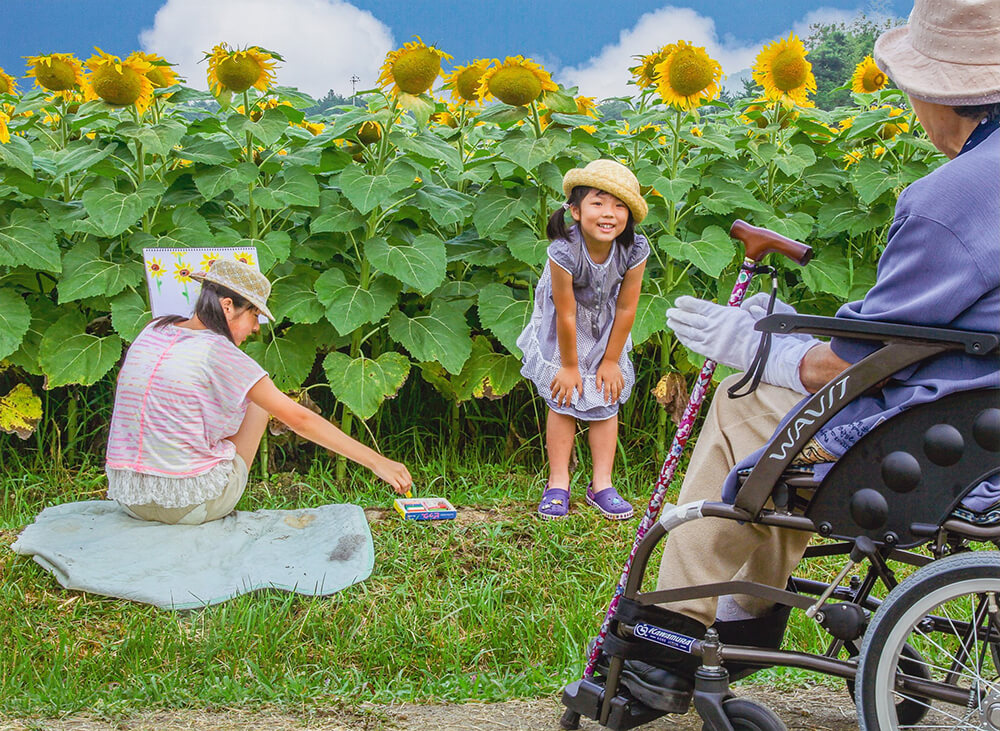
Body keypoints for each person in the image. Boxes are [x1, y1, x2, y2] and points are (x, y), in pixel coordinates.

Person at [619, 0, 1000, 711]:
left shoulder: (953, 197)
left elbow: (855, 361)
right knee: (770, 390)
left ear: (938, 93)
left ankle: (675, 634)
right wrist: (794, 331)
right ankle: (738, 613)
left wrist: (758, 345)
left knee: (746, 398)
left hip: (957, 431)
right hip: (977, 393)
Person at [105, 258, 412, 525]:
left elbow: (127, 385)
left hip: (130, 500)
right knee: (259, 401)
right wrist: (378, 462)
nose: (256, 327)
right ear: (228, 306)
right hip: (188, 507)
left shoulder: (153, 330)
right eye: (253, 314)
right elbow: (299, 420)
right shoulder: (220, 353)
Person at [517, 159, 650, 520]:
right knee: (565, 398)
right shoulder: (564, 250)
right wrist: (570, 366)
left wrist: (610, 360)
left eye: (619, 205)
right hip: (565, 323)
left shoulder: (634, 248)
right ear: (575, 211)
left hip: (608, 322)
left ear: (630, 215)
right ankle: (558, 481)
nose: (609, 213)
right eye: (598, 202)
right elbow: (565, 312)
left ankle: (601, 485)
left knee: (607, 397)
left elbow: (626, 308)